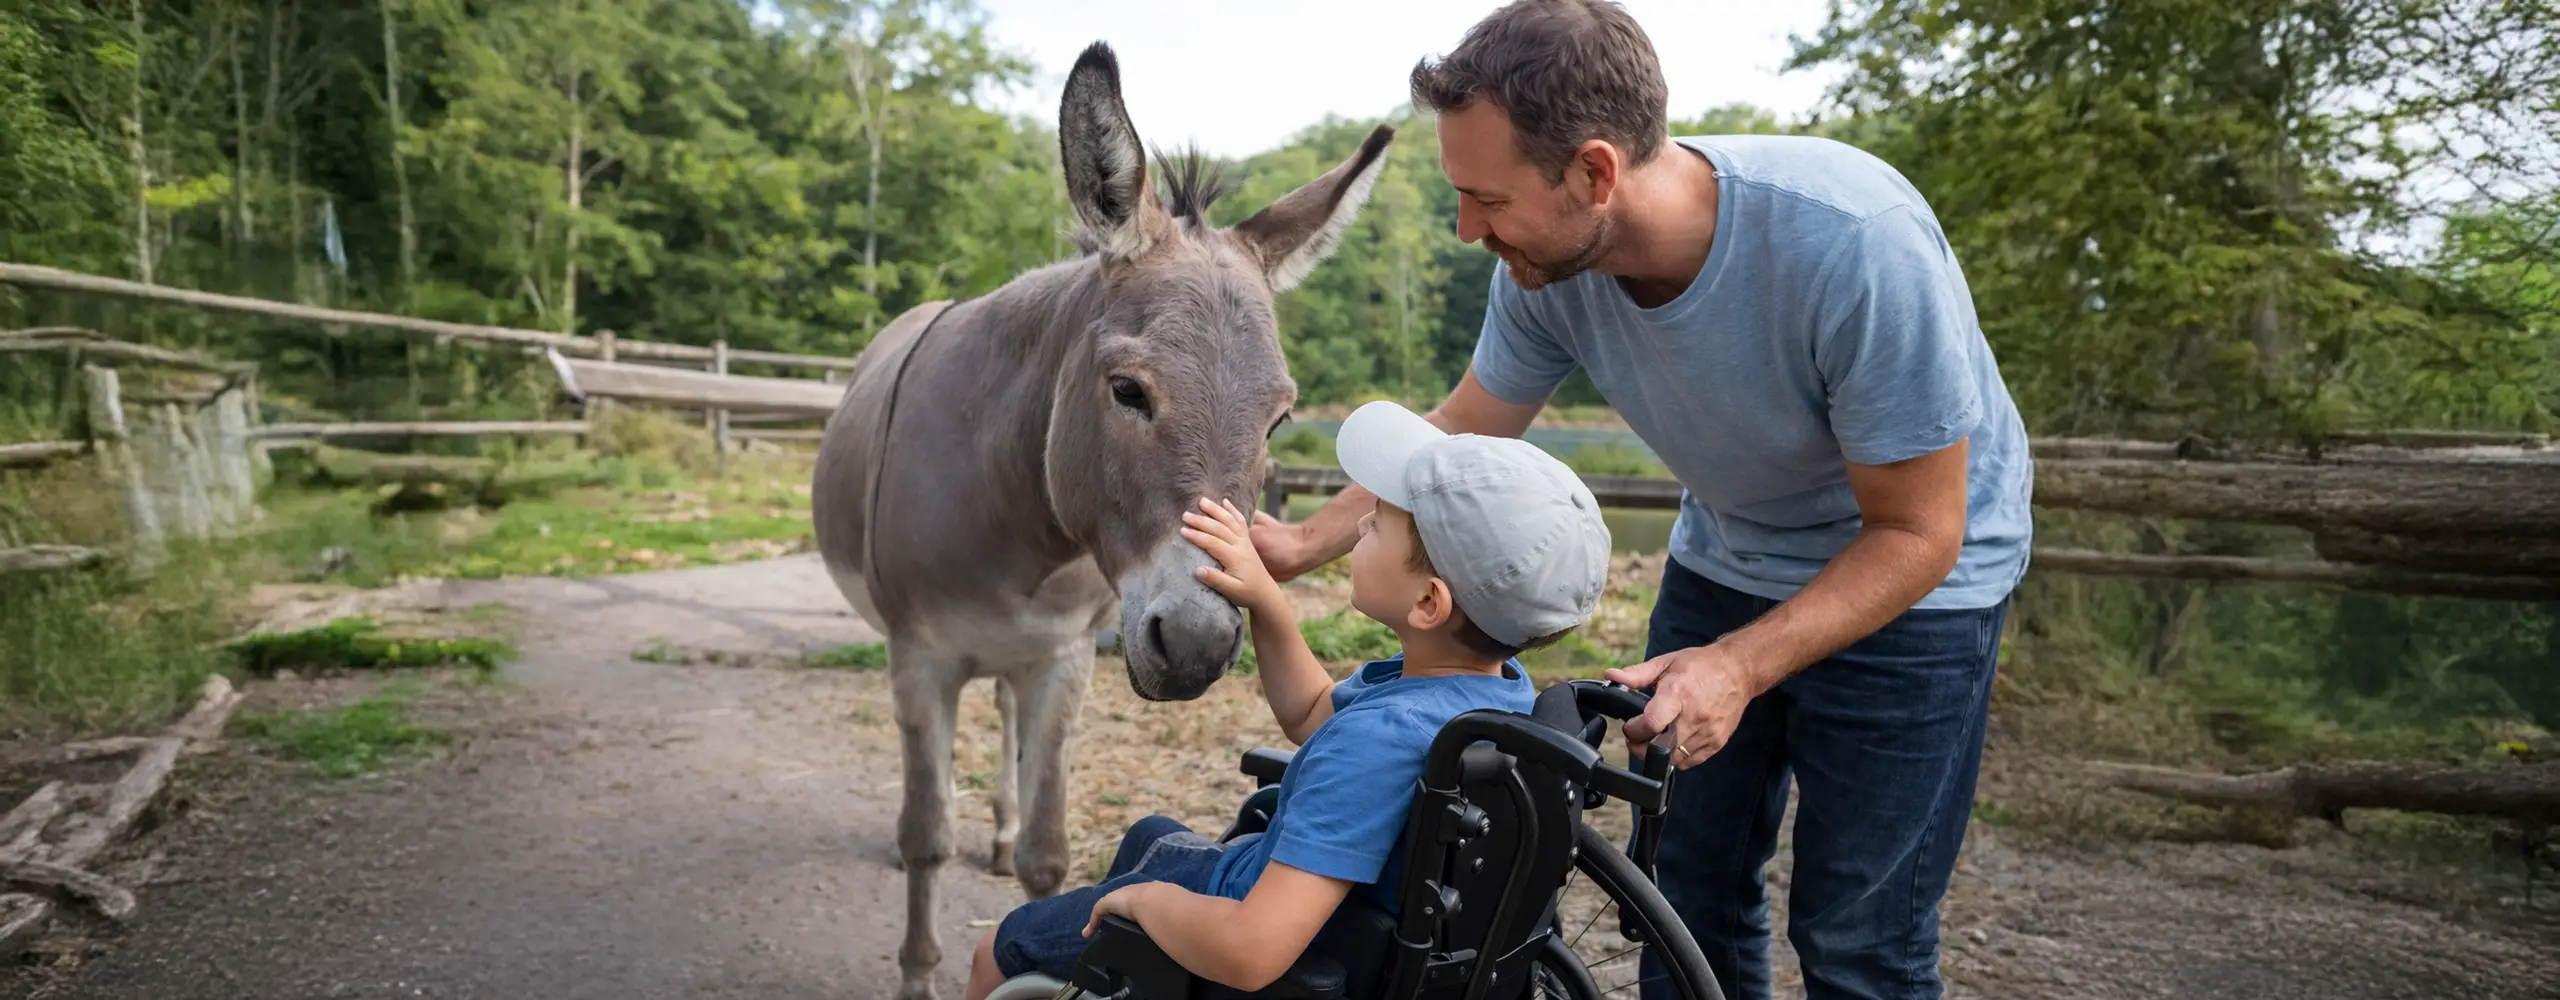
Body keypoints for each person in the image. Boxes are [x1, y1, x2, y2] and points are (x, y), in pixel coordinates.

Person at [1248, 3, 2033, 999]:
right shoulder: (1546, 267)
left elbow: (1920, 528)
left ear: (1595, 172)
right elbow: (1461, 427)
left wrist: (1739, 666)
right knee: (1682, 904)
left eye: (1484, 198)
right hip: (1727, 558)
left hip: (1920, 590)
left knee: (1855, 936)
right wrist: (1299, 547)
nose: (1465, 229)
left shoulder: (1853, 247)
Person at [964, 400, 1614, 1000]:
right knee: (1150, 835)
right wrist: (1269, 603)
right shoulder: (1483, 696)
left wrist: (1149, 905)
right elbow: (1310, 714)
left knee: (1002, 947)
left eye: (1380, 524)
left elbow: (1254, 949)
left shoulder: (1376, 745)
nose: (1360, 519)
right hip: (1323, 909)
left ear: (1428, 603)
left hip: (1253, 933)